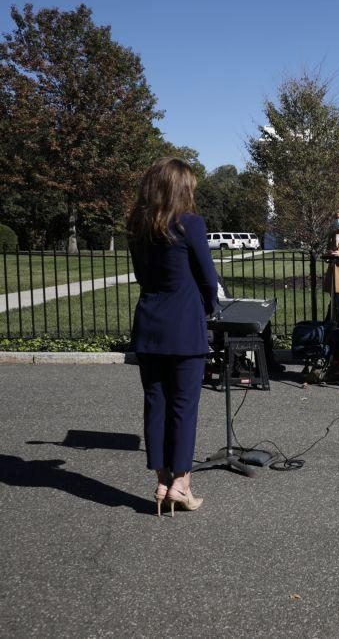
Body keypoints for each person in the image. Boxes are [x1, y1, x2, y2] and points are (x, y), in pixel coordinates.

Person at [127, 157, 218, 516]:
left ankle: (162, 480)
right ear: (181, 188)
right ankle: (181, 484)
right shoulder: (190, 224)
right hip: (184, 324)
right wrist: (209, 306)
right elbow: (208, 279)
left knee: (156, 403)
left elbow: (140, 275)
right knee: (183, 407)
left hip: (149, 322)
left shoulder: (136, 225)